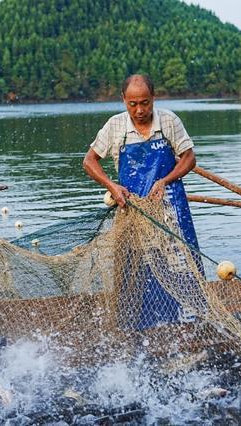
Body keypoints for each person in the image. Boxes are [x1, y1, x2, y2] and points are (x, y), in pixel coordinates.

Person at [83, 74, 201, 329]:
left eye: (145, 103)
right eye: (133, 104)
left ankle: (188, 322)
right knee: (139, 268)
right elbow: (89, 161)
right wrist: (112, 186)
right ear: (123, 100)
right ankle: (145, 326)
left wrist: (165, 180)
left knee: (181, 264)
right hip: (133, 211)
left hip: (171, 207)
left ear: (153, 99)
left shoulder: (168, 121)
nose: (139, 110)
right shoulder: (115, 127)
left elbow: (189, 158)